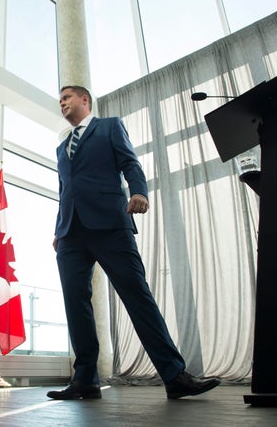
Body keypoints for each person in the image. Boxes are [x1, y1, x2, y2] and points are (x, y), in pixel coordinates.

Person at [47, 85, 220, 400]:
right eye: (59, 101)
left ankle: (174, 374)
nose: (62, 103)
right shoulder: (61, 149)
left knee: (137, 296)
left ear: (85, 99)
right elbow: (63, 191)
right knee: (76, 304)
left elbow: (130, 162)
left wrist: (139, 191)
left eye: (67, 98)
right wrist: (59, 230)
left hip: (110, 224)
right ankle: (85, 379)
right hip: (71, 233)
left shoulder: (109, 126)